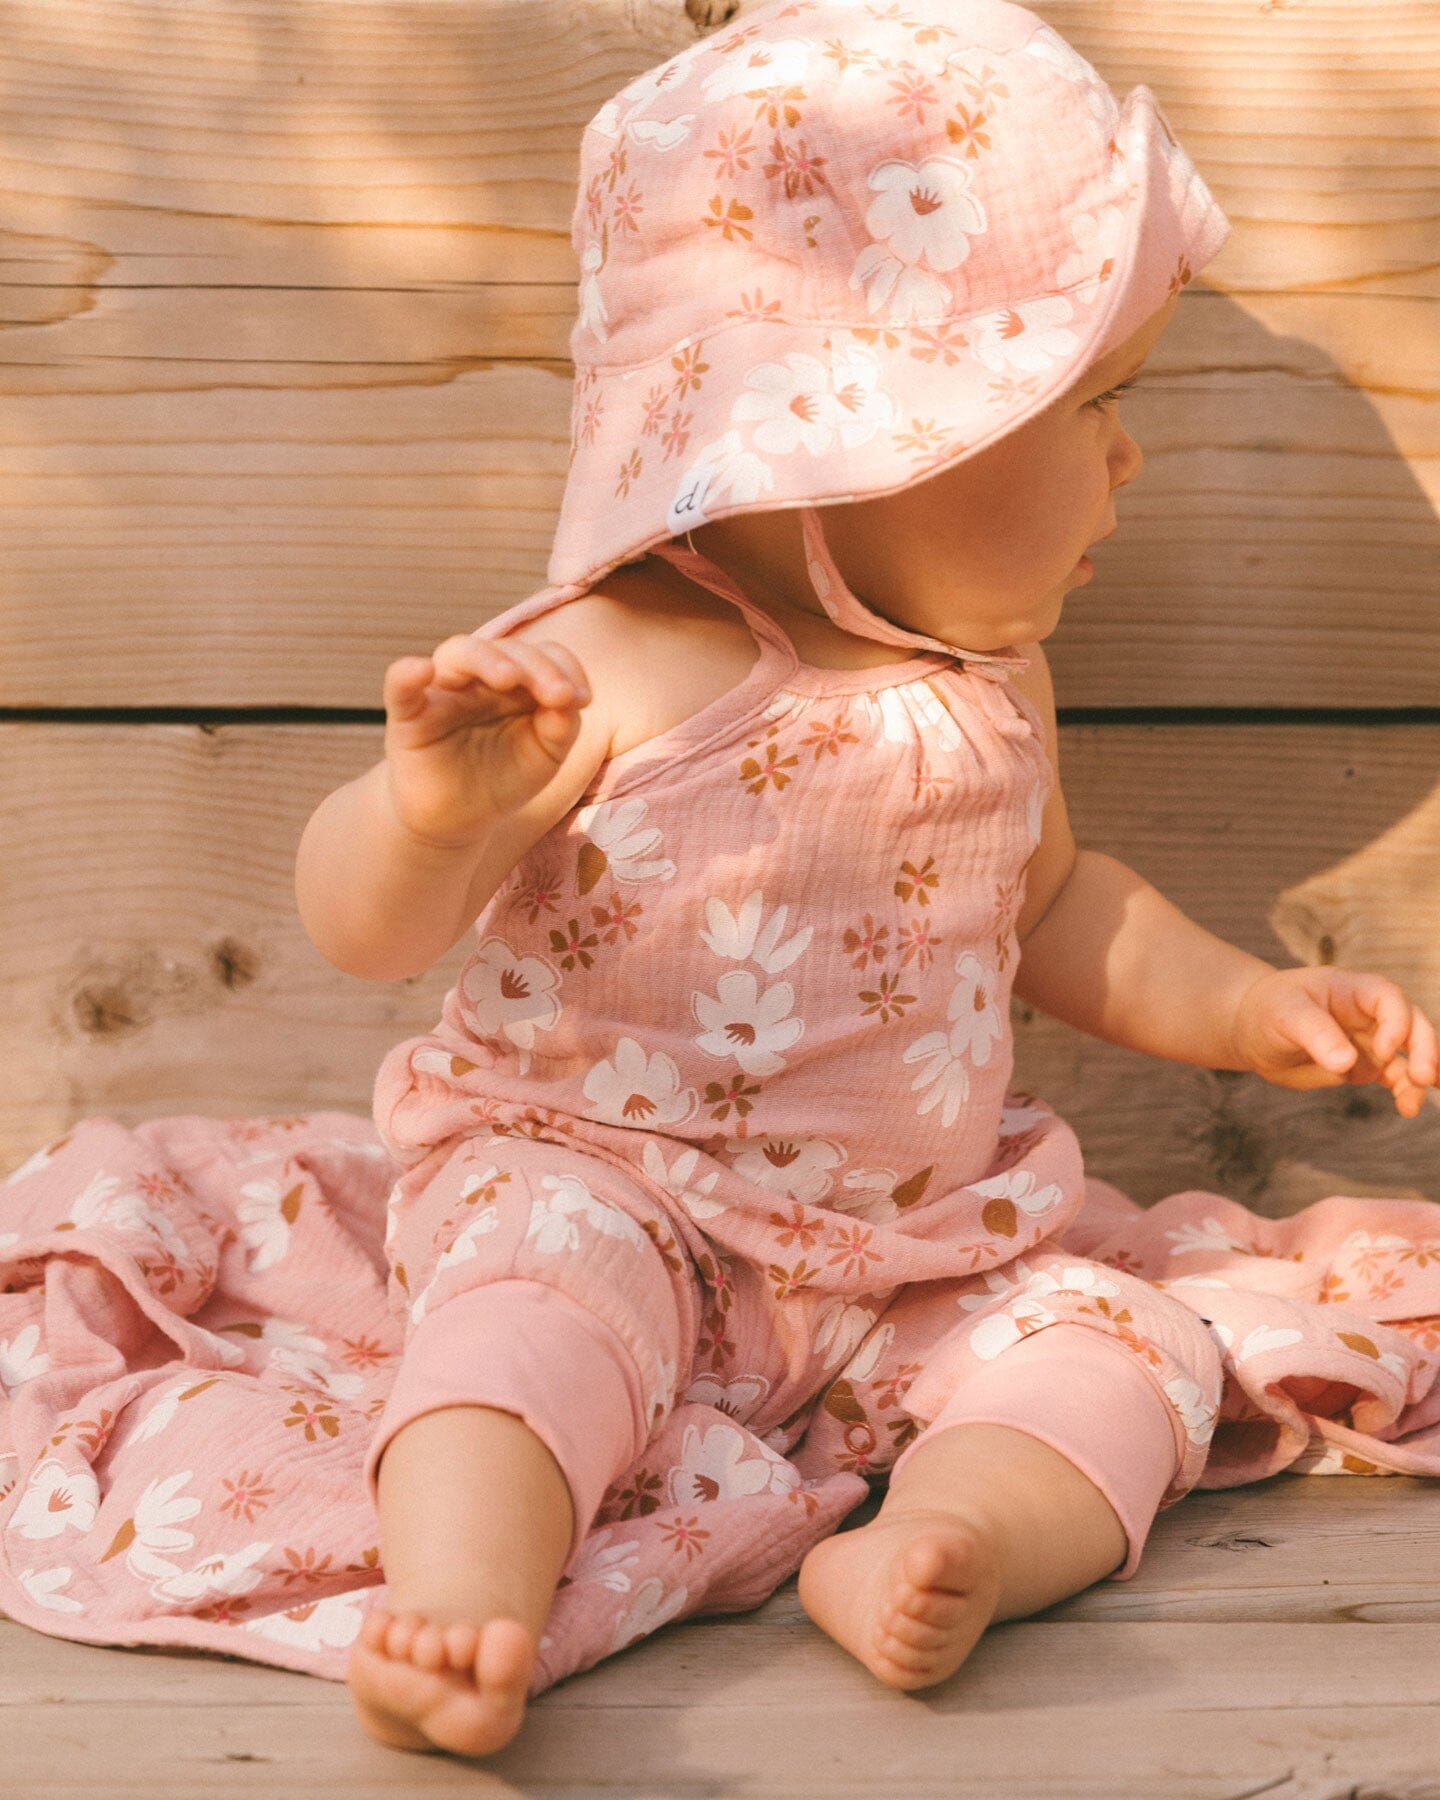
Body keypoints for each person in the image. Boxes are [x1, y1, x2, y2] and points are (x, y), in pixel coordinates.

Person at [291, 0, 1437, 1759]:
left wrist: (1245, 1004)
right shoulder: (605, 661)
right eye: (1093, 405)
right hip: (619, 1196)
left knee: (1121, 1343)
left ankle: (946, 1535)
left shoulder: (986, 689)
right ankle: (461, 1596)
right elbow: (363, 927)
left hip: (907, 1249)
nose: (1129, 459)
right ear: (855, 427)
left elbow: (1054, 910)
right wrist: (435, 817)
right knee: (529, 1324)